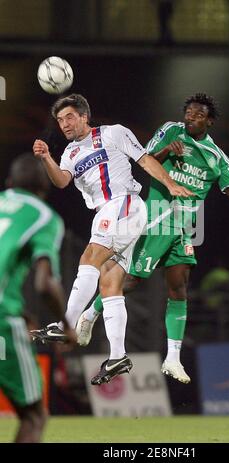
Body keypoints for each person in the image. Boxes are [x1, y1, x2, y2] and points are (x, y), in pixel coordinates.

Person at [76, 92, 229, 384]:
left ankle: (173, 359)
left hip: (183, 228)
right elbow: (146, 160)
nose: (191, 117)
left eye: (198, 115)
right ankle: (90, 314)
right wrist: (168, 151)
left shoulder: (215, 156)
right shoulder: (170, 130)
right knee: (131, 280)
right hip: (156, 219)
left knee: (179, 287)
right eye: (188, 112)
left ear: (209, 121)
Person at [31, 93, 192, 385]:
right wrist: (46, 159)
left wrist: (170, 183)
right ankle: (118, 355)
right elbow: (62, 181)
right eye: (60, 120)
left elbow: (144, 161)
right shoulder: (69, 154)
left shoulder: (114, 133)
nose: (64, 124)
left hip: (123, 204)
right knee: (109, 283)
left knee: (89, 257)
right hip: (109, 213)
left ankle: (65, 324)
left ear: (84, 116)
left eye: (69, 117)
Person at [0, 154, 75, 443]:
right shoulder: (44, 216)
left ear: (9, 182)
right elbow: (45, 284)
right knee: (33, 416)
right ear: (44, 188)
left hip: (9, 312)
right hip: (2, 318)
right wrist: (67, 325)